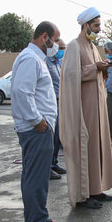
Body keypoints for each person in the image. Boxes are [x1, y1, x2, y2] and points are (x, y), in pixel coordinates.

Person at [59, 7, 112, 209]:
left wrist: (103, 68)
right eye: (96, 25)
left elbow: (93, 72)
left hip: (98, 109)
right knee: (87, 150)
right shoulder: (74, 46)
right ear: (85, 26)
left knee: (98, 148)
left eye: (99, 25)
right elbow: (71, 75)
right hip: (84, 110)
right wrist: (95, 68)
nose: (99, 29)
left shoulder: (92, 47)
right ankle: (84, 195)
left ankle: (96, 189)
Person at [11, 21, 61, 222]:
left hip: (39, 127)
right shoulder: (31, 59)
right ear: (44, 38)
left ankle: (37, 215)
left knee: (36, 176)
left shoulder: (36, 59)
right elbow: (22, 92)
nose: (57, 45)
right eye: (56, 40)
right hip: (36, 129)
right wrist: (37, 120)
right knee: (36, 178)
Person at [45, 37, 66, 180]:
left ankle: (54, 162)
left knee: (58, 136)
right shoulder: (46, 62)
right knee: (51, 136)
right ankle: (48, 167)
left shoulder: (58, 63)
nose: (63, 51)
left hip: (60, 101)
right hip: (51, 102)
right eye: (61, 48)